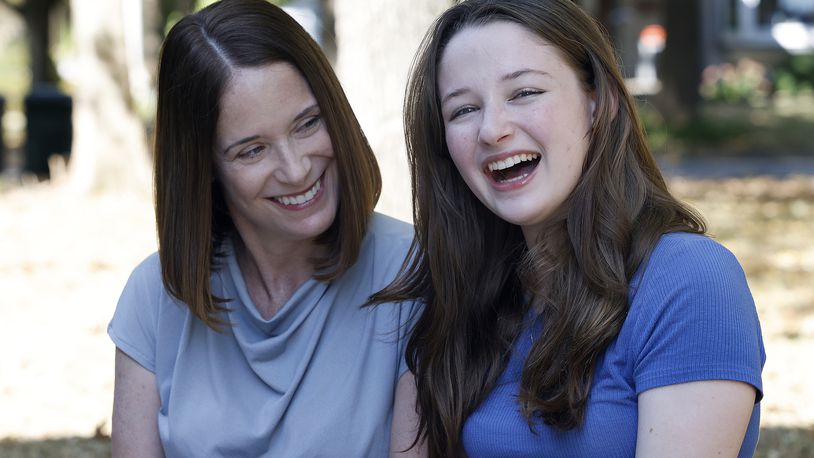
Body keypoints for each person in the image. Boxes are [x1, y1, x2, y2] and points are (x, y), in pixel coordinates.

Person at [374, 0, 766, 456]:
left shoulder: (689, 280)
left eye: (525, 93)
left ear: (598, 103)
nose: (492, 129)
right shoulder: (456, 297)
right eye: (463, 110)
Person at [108, 0, 421, 456]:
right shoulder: (155, 296)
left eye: (308, 123)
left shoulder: (414, 276)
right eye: (252, 150)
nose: (295, 170)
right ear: (205, 167)